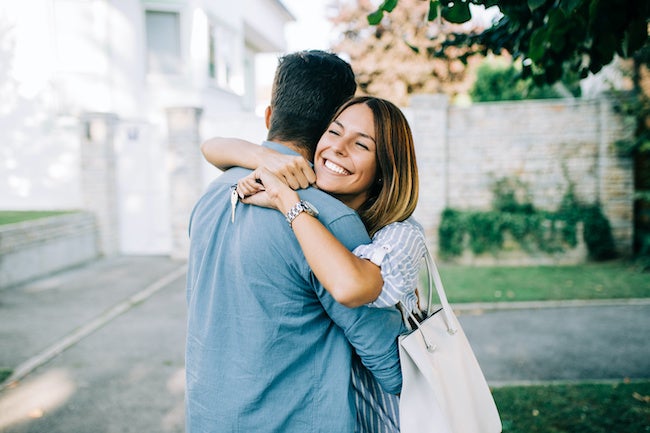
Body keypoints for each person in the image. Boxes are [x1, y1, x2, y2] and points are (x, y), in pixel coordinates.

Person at [186, 51, 405, 433]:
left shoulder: (212, 195)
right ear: (329, 130)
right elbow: (391, 368)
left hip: (207, 417)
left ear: (270, 117)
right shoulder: (328, 219)